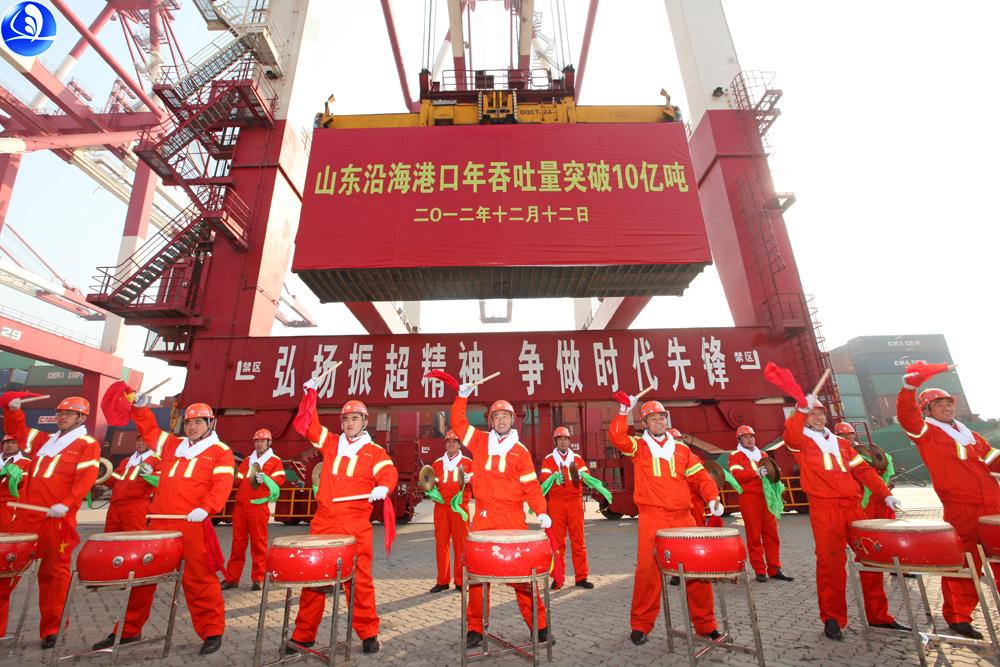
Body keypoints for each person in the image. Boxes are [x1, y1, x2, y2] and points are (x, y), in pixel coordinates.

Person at [91, 398, 234, 655]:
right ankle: (128, 631)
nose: (192, 427)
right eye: (188, 423)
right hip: (158, 523)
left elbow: (221, 485)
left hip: (191, 524)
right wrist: (140, 408)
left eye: (198, 422)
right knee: (142, 578)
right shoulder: (173, 445)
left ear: (210, 424)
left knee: (199, 580)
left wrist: (206, 508)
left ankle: (212, 631)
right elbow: (149, 430)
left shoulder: (220, 451)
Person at [784, 393, 907, 640]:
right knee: (830, 564)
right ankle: (832, 618)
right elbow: (791, 434)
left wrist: (885, 494)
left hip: (853, 507)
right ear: (804, 417)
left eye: (820, 412)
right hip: (825, 509)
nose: (818, 417)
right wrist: (800, 410)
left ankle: (878, 615)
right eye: (812, 413)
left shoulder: (842, 444)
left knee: (870, 559)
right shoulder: (801, 443)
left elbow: (864, 471)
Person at [289, 384, 398, 655]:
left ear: (364, 421)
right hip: (324, 522)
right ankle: (303, 635)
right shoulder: (331, 443)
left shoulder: (374, 451)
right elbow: (309, 426)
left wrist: (384, 487)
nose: (350, 423)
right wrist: (310, 396)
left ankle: (368, 633)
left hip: (355, 525)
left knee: (359, 581)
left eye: (355, 418)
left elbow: (388, 471)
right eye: (346, 419)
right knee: (314, 581)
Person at [608, 394, 723, 646]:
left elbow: (701, 477)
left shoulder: (682, 450)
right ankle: (641, 625)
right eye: (653, 418)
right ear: (644, 424)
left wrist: (712, 497)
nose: (659, 422)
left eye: (661, 417)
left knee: (697, 572)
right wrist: (623, 411)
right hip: (653, 518)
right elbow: (617, 437)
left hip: (683, 517)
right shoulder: (638, 448)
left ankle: (707, 625)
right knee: (647, 573)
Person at [897, 367, 1000, 640]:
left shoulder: (970, 435)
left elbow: (993, 460)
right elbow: (907, 418)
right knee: (963, 565)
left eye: (949, 403)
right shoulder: (926, 433)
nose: (947, 407)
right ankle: (958, 617)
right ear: (927, 411)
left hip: (993, 505)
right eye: (939, 404)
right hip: (961, 508)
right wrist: (909, 388)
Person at [450, 385, 552, 648]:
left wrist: (541, 510)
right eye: (496, 416)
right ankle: (475, 628)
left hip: (512, 519)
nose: (501, 420)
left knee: (522, 577)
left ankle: (540, 626)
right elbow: (458, 424)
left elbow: (531, 486)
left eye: (505, 416)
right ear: (491, 421)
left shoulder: (521, 451)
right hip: (483, 517)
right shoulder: (479, 441)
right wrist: (462, 397)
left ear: (512, 420)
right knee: (477, 577)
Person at [0, 395, 100, 648]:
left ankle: (52, 629)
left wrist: (67, 503)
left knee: (54, 575)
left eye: (68, 413)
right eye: (60, 413)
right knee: (5, 569)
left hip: (57, 519)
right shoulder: (44, 440)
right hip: (27, 517)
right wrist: (13, 411)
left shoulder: (87, 444)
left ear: (82, 418)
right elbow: (18, 432)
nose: (62, 417)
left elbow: (86, 477)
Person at [727, 425, 792, 583]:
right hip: (749, 499)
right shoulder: (735, 456)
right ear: (739, 440)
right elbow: (736, 475)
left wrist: (776, 474)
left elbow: (772, 474)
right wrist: (755, 473)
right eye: (745, 437)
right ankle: (759, 570)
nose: (749, 439)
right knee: (754, 535)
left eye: (751, 436)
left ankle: (774, 569)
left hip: (767, 498)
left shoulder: (763, 455)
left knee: (772, 535)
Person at [222, 428, 285, 591]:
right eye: (257, 441)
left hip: (258, 506)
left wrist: (266, 479)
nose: (259, 444)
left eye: (262, 441)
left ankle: (259, 579)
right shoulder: (248, 460)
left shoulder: (275, 461)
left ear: (269, 443)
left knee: (259, 544)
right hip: (241, 507)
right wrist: (230, 471)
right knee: (237, 544)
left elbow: (280, 480)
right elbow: (238, 480)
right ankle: (232, 578)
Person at [540, 426, 594, 591]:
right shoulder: (549, 459)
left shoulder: (577, 459)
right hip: (556, 504)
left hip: (575, 502)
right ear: (555, 441)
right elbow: (543, 478)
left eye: (565, 439)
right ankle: (558, 578)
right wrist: (553, 477)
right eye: (560, 439)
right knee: (557, 543)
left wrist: (582, 476)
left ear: (569, 441)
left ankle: (581, 577)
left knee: (579, 541)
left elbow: (588, 477)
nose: (563, 442)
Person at [428, 429, 471, 593]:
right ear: (445, 444)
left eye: (454, 442)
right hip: (441, 508)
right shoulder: (437, 463)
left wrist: (471, 479)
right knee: (441, 544)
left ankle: (460, 581)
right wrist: (430, 488)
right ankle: (443, 581)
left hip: (459, 507)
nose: (451, 444)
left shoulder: (467, 462)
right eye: (448, 442)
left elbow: (478, 483)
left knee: (461, 545)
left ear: (459, 444)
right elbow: (430, 484)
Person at [103, 436, 160, 532]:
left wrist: (151, 474)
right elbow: (114, 479)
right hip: (115, 505)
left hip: (135, 507)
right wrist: (102, 475)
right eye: (138, 440)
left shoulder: (156, 461)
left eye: (144, 441)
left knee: (134, 537)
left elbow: (161, 481)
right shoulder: (126, 461)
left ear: (151, 443)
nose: (140, 443)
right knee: (110, 537)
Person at [0, 431, 31, 531]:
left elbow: (27, 485)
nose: (9, 445)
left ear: (19, 444)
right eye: (7, 442)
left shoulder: (27, 463)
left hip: (8, 507)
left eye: (13, 442)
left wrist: (15, 478)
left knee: (5, 535)